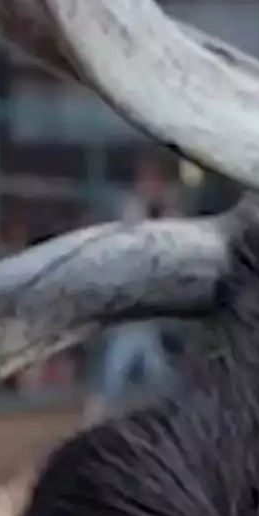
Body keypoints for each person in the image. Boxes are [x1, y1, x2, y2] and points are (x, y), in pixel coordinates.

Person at [85, 154, 179, 422]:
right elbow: (137, 231)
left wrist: (167, 204)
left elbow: (170, 226)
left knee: (158, 376)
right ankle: (92, 420)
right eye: (148, 182)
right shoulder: (131, 208)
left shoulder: (161, 212)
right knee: (115, 377)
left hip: (145, 318)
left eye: (155, 182)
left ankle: (171, 418)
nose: (152, 186)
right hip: (129, 314)